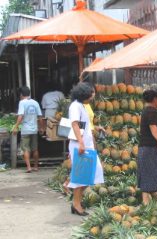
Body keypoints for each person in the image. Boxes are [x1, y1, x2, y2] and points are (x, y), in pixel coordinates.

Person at [67, 82, 104, 216]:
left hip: (86, 144)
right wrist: (82, 143)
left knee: (92, 174)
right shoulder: (75, 106)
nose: (92, 97)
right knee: (81, 176)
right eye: (91, 94)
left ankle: (76, 201)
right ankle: (76, 204)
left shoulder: (82, 105)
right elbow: (75, 125)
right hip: (80, 145)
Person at [12, 86, 43, 173]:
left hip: (25, 130)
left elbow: (20, 116)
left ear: (21, 94)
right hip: (34, 129)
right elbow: (40, 117)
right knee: (35, 149)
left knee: (25, 149)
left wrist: (16, 127)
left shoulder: (22, 103)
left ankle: (29, 167)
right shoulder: (35, 102)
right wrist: (41, 127)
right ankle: (36, 167)